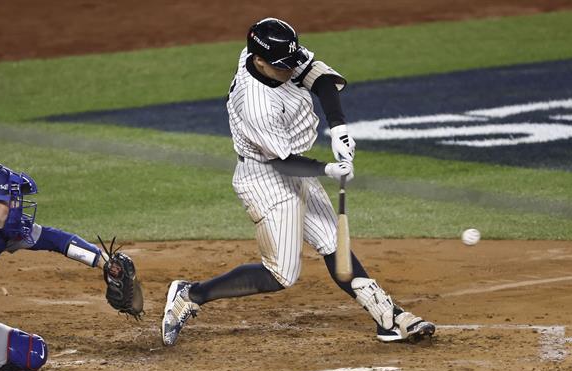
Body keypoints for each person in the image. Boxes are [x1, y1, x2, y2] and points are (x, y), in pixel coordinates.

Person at [161, 17, 435, 346]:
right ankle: (191, 293)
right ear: (259, 62)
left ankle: (388, 318)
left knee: (334, 241)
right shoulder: (256, 106)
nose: (291, 70)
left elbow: (318, 77)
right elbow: (284, 162)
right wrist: (328, 170)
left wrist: (339, 128)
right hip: (266, 178)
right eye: (282, 66)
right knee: (281, 274)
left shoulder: (270, 55)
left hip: (294, 164)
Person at [0, 164, 113, 371]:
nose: (16, 206)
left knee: (30, 353)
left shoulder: (4, 232)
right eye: (10, 199)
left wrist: (105, 262)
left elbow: (54, 239)